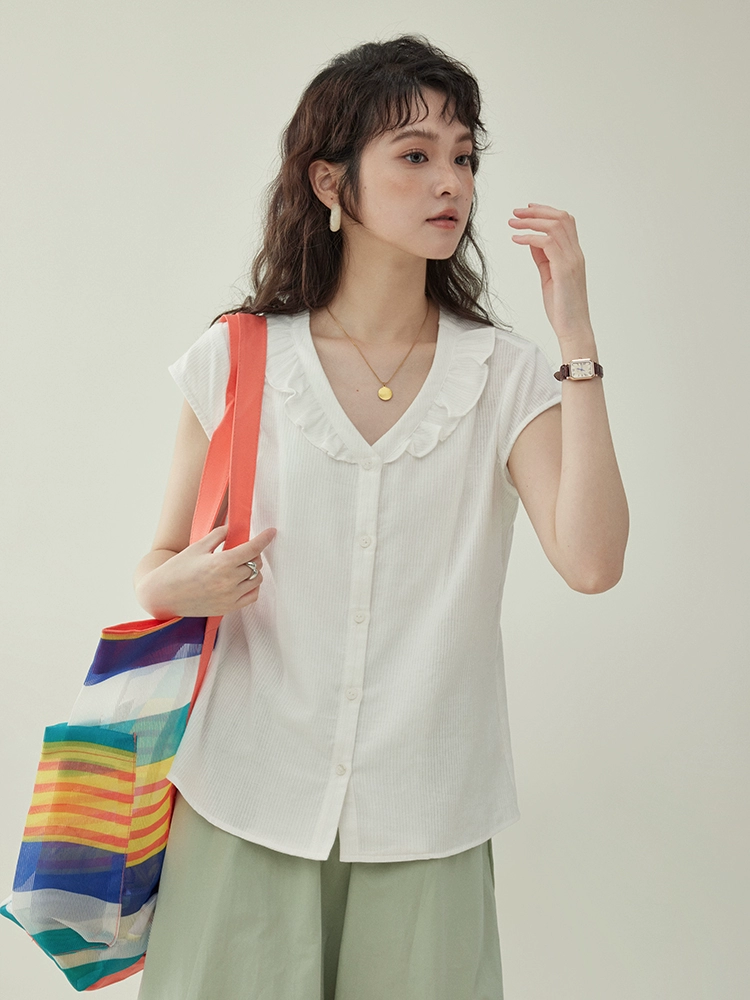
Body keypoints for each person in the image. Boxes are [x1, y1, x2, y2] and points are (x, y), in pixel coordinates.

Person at [133, 34, 629, 1000]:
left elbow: (593, 562)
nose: (451, 182)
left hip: (427, 816)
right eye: (414, 155)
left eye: (464, 157)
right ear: (331, 182)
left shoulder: (506, 374)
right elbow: (155, 563)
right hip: (246, 800)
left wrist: (576, 335)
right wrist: (178, 583)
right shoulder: (238, 358)